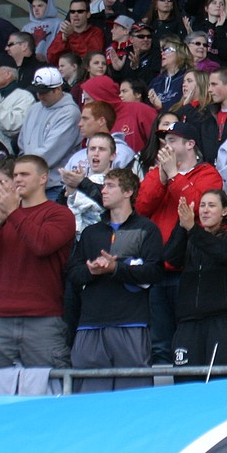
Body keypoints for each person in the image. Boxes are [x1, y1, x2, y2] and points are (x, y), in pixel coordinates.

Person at [0, 155, 76, 378]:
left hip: (43, 319)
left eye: (24, 174)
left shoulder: (59, 214)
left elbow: (42, 245)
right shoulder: (6, 214)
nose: (17, 179)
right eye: (15, 175)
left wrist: (13, 213)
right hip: (0, 318)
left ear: (43, 178)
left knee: (49, 390)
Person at [66, 168, 164, 392]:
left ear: (128, 191)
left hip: (131, 322)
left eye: (110, 186)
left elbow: (155, 272)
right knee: (89, 397)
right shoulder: (91, 233)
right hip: (90, 323)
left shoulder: (147, 229)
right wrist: (91, 271)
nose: (103, 190)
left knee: (133, 395)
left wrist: (116, 268)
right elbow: (73, 273)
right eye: (103, 186)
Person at [135, 121, 223, 364]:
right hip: (157, 268)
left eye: (173, 140)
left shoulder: (207, 173)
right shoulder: (158, 173)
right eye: (166, 140)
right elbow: (141, 207)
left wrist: (174, 175)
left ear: (190, 144)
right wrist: (162, 176)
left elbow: (197, 209)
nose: (167, 144)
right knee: (160, 344)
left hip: (189, 268)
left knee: (186, 340)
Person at [164, 189, 227, 379]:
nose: (205, 210)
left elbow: (222, 252)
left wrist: (193, 229)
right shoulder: (191, 236)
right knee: (186, 384)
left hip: (221, 322)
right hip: (188, 322)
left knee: (222, 383)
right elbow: (170, 258)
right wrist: (182, 224)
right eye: (202, 206)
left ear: (225, 211)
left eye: (211, 205)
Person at [19, 67, 82, 201]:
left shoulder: (70, 113)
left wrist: (22, 168)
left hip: (55, 186)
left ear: (58, 89)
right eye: (38, 92)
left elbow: (50, 152)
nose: (40, 96)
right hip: (31, 183)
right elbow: (22, 144)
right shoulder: (34, 108)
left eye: (45, 92)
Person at [46, 0, 105, 65]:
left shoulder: (96, 32)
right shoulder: (63, 32)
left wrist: (72, 35)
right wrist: (63, 39)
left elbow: (91, 58)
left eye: (80, 11)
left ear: (88, 14)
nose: (75, 15)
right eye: (72, 12)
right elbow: (51, 58)